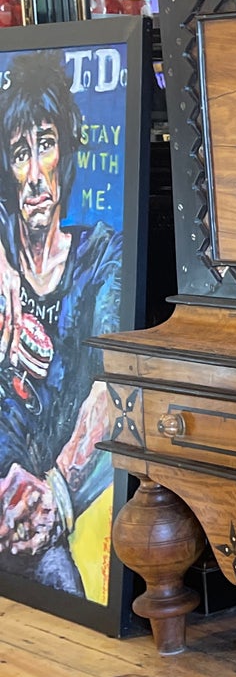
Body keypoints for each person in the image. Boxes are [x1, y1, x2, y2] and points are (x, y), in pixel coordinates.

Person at [0, 54, 121, 593]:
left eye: (44, 145)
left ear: (66, 150)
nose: (33, 176)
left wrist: (55, 493)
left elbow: (111, 386)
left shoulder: (100, 257)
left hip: (48, 506)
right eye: (18, 154)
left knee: (62, 588)